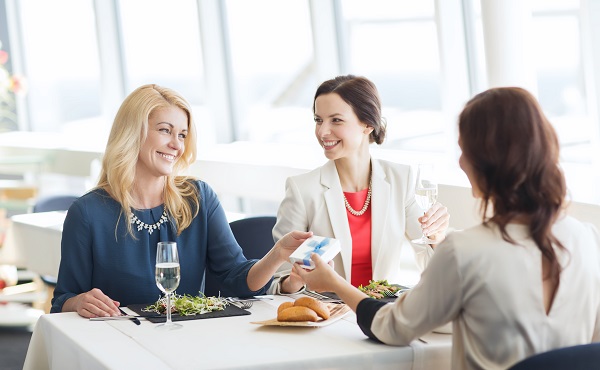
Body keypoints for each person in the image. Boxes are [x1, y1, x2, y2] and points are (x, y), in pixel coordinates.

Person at [294, 86, 600, 369]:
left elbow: (393, 328)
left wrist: (334, 283)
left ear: (484, 162)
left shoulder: (464, 251)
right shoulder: (588, 237)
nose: (461, 162)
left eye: (464, 150)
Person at [50, 84, 312, 317]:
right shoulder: (87, 213)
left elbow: (237, 277)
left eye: (183, 135)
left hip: (188, 341)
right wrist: (77, 302)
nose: (177, 145)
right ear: (133, 133)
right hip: (119, 344)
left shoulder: (198, 198)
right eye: (165, 130)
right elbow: (63, 298)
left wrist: (278, 254)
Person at [272, 75, 450, 291]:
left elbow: (433, 267)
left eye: (335, 120)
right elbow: (278, 281)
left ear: (367, 124)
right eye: (318, 120)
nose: (322, 131)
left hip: (380, 312)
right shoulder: (302, 189)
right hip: (326, 316)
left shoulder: (400, 179)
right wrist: (295, 281)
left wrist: (436, 237)